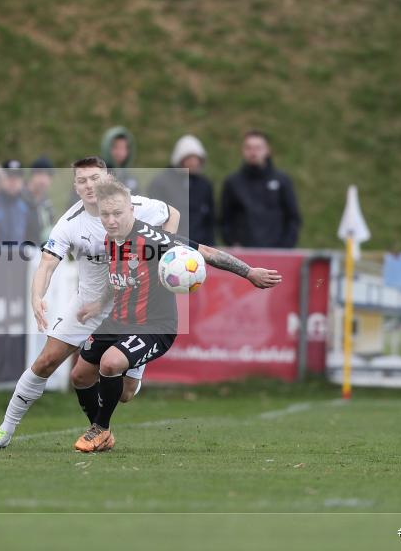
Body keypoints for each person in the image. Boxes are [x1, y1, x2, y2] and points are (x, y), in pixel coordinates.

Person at [0, 156, 180, 451]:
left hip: (132, 307)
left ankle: (104, 420)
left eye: (95, 178)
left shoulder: (134, 206)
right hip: (87, 306)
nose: (89, 185)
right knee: (50, 364)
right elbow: (47, 264)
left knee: (125, 392)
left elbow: (171, 212)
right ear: (75, 186)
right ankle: (4, 431)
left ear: (107, 179)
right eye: (82, 180)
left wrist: (166, 252)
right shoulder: (70, 223)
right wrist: (37, 297)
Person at [69, 178, 282, 452]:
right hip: (118, 320)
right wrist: (99, 305)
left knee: (110, 365)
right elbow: (120, 277)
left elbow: (205, 252)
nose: (111, 220)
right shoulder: (109, 238)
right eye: (106, 214)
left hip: (154, 326)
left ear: (131, 211)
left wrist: (249, 272)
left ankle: (100, 429)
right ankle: (101, 429)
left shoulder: (152, 240)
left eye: (118, 213)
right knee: (81, 377)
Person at [219, 131, 301, 248]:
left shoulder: (282, 180)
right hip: (243, 255)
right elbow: (225, 219)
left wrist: (285, 247)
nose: (253, 152)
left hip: (276, 253)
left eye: (258, 148)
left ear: (267, 150)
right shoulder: (232, 182)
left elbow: (293, 217)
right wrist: (232, 243)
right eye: (249, 148)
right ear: (243, 151)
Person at [147, 134, 216, 245]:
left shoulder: (205, 185)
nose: (194, 163)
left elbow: (210, 221)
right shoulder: (161, 182)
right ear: (180, 159)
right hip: (170, 245)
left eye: (197, 159)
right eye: (190, 159)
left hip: (199, 247)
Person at [0, 159, 40, 245]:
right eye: (9, 177)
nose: (13, 181)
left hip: (21, 256)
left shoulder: (29, 206)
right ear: (1, 179)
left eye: (17, 177)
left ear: (22, 181)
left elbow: (34, 239)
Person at [100, 126, 139, 193]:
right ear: (107, 148)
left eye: (124, 148)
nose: (121, 152)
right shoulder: (96, 177)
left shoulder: (132, 181)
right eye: (116, 147)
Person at [26, 156, 55, 244]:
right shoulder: (20, 198)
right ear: (33, 175)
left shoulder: (47, 203)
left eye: (48, 176)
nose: (44, 181)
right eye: (41, 175)